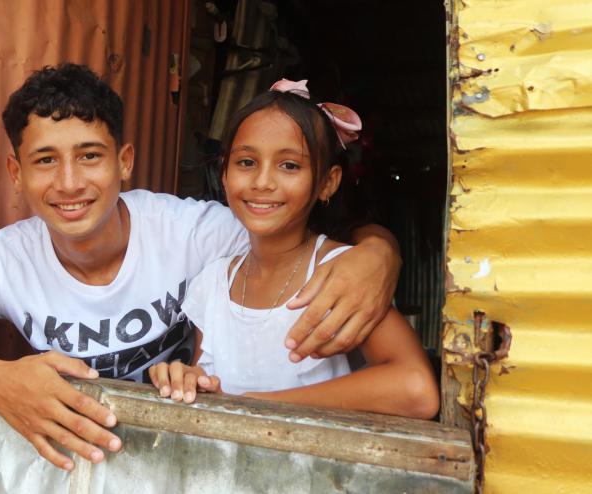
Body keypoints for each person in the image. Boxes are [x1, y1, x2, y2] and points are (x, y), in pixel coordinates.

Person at [0, 65, 403, 472]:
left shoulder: (199, 231)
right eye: (45, 160)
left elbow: (301, 232)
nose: (70, 183)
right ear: (14, 172)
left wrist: (380, 253)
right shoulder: (5, 259)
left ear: (125, 161)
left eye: (90, 156)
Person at [149, 79, 439, 419]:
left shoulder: (344, 272)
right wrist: (187, 381)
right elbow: (209, 385)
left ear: (327, 182)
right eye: (246, 162)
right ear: (224, 173)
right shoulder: (212, 282)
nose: (263, 182)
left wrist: (262, 406)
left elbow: (415, 390)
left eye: (289, 165)